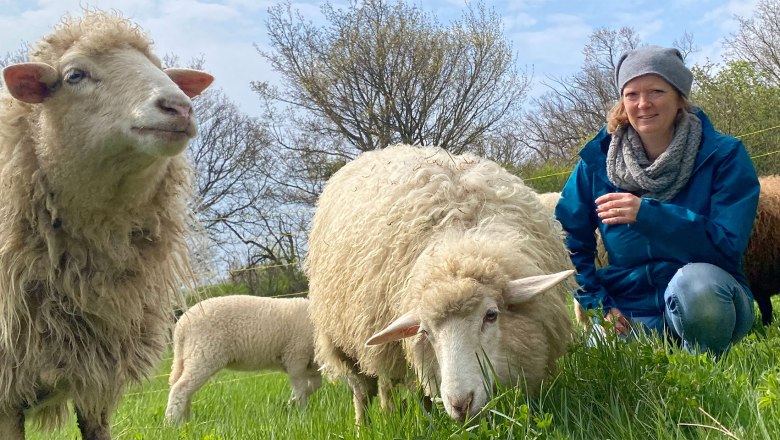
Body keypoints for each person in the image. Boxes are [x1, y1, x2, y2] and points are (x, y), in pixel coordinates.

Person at [554, 45, 760, 356]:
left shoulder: (724, 156)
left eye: (656, 91)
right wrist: (599, 305)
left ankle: (705, 365)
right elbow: (567, 237)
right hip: (629, 306)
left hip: (709, 300)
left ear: (679, 97)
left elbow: (727, 248)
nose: (643, 104)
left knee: (696, 284)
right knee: (603, 364)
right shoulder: (597, 164)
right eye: (632, 94)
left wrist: (649, 216)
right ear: (623, 102)